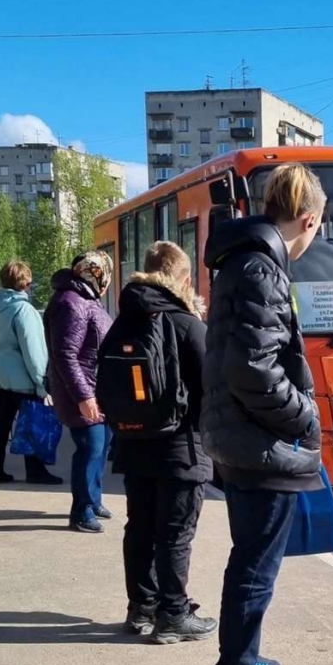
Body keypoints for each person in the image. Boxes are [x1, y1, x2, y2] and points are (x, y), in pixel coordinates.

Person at [202, 163, 326, 665]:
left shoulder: (244, 262)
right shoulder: (262, 270)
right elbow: (254, 370)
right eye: (319, 227)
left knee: (248, 561)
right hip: (261, 443)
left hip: (242, 438)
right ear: (308, 219)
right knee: (255, 567)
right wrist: (306, 416)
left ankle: (240, 659)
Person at [103, 241, 217, 643]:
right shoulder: (187, 324)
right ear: (183, 279)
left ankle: (140, 609)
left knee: (140, 528)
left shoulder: (123, 320)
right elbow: (212, 387)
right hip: (181, 447)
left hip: (133, 444)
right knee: (175, 533)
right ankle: (173, 615)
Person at [44, 251, 114, 533]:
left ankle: (93, 499)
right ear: (95, 274)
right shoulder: (71, 303)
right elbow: (65, 355)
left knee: (102, 444)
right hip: (81, 391)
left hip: (95, 387)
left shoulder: (85, 299)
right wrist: (84, 397)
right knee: (90, 447)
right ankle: (81, 510)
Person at [0, 261, 62, 486]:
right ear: (25, 283)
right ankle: (35, 471)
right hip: (19, 378)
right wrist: (41, 383)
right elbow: (33, 350)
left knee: (0, 425)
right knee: (31, 423)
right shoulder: (24, 310)